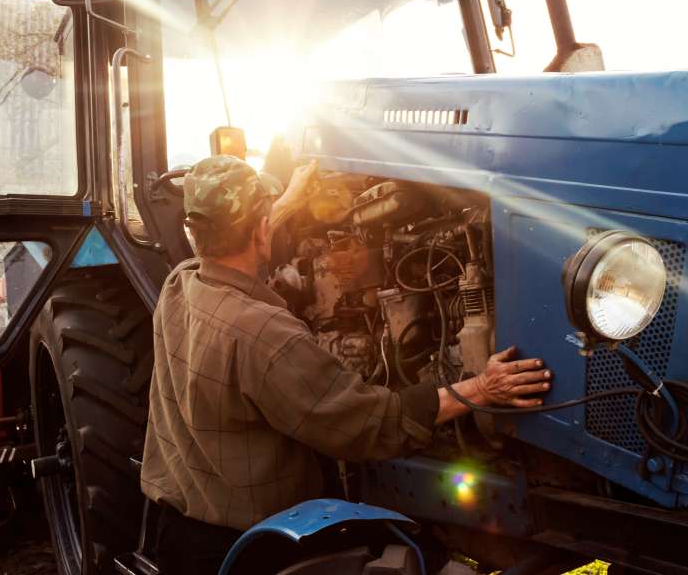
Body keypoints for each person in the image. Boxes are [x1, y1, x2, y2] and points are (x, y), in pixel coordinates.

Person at [140, 155, 553, 574]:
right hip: (253, 552)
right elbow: (369, 425)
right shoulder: (264, 334)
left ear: (196, 231)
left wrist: (283, 204)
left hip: (178, 534)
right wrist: (481, 389)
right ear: (260, 228)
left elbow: (234, 243)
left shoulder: (180, 283)